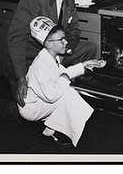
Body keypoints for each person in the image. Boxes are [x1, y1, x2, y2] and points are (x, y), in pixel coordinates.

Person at [1, 0, 97, 110]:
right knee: (24, 115)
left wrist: (62, 54)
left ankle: (65, 94)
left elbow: (74, 31)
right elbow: (17, 38)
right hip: (27, 58)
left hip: (48, 56)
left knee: (89, 48)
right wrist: (21, 78)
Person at [18, 16, 103, 148]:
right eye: (61, 40)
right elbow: (52, 96)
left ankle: (52, 125)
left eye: (65, 38)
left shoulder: (51, 57)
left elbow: (63, 72)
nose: (65, 42)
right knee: (68, 93)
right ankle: (48, 133)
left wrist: (85, 65)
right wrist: (66, 76)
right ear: (48, 44)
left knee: (67, 90)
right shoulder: (41, 65)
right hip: (32, 108)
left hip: (41, 100)